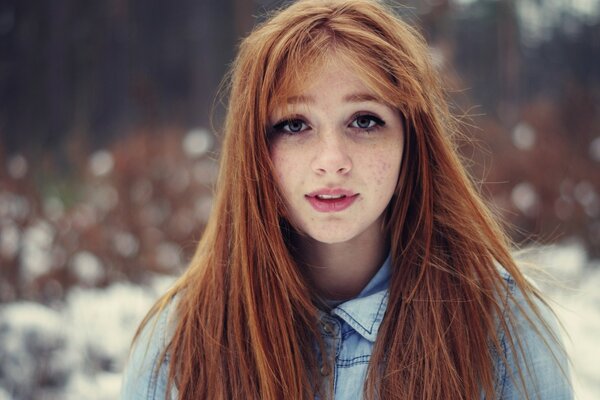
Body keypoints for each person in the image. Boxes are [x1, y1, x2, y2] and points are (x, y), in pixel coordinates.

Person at [121, 0, 572, 399]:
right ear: (254, 150)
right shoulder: (179, 341)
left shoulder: (503, 327)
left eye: (363, 120)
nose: (331, 161)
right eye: (295, 125)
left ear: (412, 142)